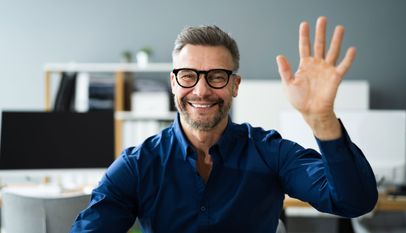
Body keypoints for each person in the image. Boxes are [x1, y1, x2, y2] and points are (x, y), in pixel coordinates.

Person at [71, 16, 378, 233]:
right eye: (188, 76)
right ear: (174, 84)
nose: (202, 90)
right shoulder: (138, 165)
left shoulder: (270, 152)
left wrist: (321, 118)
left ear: (235, 85)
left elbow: (353, 201)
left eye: (216, 76)